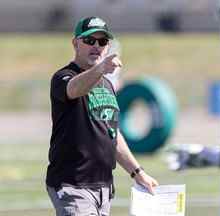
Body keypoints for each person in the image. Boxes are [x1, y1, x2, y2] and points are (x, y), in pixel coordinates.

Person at [46, 16, 158, 216]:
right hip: (72, 185)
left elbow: (112, 134)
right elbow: (74, 89)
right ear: (75, 43)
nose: (96, 46)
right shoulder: (64, 76)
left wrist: (138, 173)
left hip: (103, 188)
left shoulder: (107, 85)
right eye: (89, 41)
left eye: (102, 41)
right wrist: (100, 68)